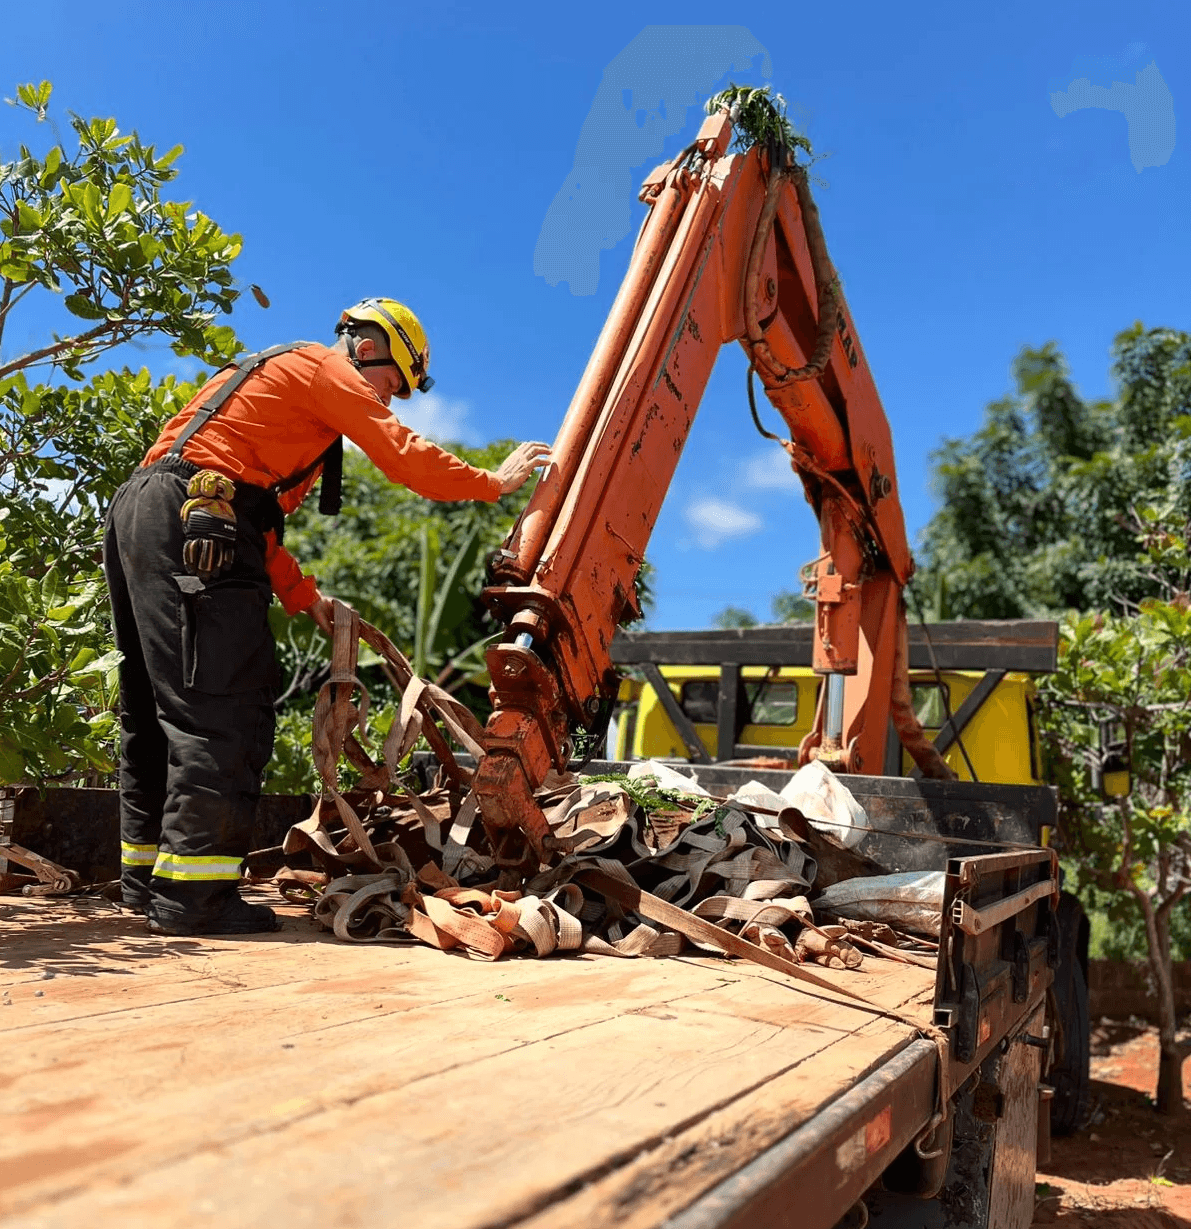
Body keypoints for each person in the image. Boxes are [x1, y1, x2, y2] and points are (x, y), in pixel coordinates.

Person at [102, 297, 550, 936]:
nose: (388, 401)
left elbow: (251, 524)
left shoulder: (269, 388)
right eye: (392, 383)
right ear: (368, 347)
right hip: (196, 517)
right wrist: (493, 482)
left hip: (152, 514)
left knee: (156, 712)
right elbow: (404, 456)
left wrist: (305, 598)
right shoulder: (324, 370)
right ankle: (194, 900)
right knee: (223, 710)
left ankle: (146, 885)